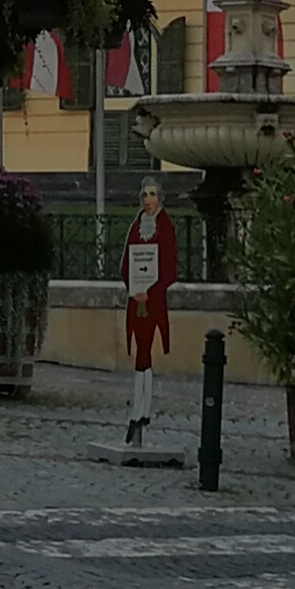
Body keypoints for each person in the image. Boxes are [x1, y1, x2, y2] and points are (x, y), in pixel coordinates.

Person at [122, 178, 179, 448]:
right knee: (140, 352)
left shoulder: (165, 227)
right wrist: (134, 288)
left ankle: (142, 410)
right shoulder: (137, 225)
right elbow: (127, 263)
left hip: (153, 303)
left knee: (145, 353)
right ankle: (138, 411)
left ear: (160, 199)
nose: (147, 199)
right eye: (144, 194)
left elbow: (169, 269)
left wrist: (149, 292)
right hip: (137, 301)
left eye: (152, 194)